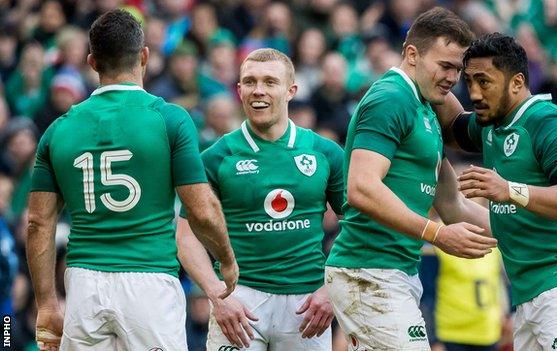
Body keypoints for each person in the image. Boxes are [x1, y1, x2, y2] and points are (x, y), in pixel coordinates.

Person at [26, 9, 238, 351]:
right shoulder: (170, 119)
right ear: (144, 56)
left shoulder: (58, 129)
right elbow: (201, 208)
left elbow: (38, 222)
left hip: (84, 283)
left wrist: (47, 303)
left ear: (92, 62)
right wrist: (226, 260)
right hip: (150, 281)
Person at [324, 7, 498, 351]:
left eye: (457, 70)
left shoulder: (425, 107)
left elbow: (453, 206)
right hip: (369, 271)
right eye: (444, 66)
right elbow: (361, 187)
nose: (452, 78)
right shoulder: (391, 98)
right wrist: (437, 234)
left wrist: (535, 231)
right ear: (412, 54)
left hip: (394, 272)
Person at [434, 32, 557, 350]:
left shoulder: (548, 123)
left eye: (484, 81)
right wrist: (426, 77)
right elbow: (451, 125)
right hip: (529, 302)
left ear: (517, 82)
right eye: (469, 81)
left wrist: (510, 190)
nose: (475, 93)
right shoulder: (491, 126)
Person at [176, 48, 343, 351]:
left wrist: (333, 289)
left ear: (291, 90)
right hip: (239, 300)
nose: (258, 91)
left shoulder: (325, 152)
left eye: (270, 82)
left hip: (307, 303)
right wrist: (217, 295)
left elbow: (361, 224)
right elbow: (185, 236)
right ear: (239, 90)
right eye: (250, 82)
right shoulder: (216, 157)